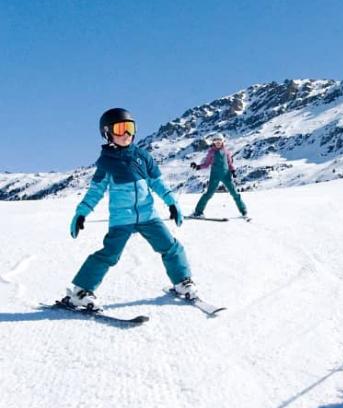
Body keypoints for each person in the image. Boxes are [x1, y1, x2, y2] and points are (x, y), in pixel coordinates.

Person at [64, 108, 198, 308]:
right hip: (122, 219)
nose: (126, 134)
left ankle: (182, 282)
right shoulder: (106, 163)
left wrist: (171, 202)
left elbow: (157, 183)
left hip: (148, 215)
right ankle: (80, 291)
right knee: (109, 254)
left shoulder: (143, 156)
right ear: (107, 133)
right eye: (120, 129)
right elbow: (95, 191)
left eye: (129, 128)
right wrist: (81, 212)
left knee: (171, 246)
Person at [190, 135, 249, 220]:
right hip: (215, 175)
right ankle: (198, 212)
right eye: (216, 140)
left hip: (226, 175)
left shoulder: (227, 152)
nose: (218, 142)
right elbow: (206, 164)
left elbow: (230, 163)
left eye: (219, 140)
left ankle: (243, 211)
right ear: (213, 142)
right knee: (209, 194)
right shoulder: (211, 152)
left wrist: (233, 171)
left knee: (234, 193)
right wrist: (198, 166)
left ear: (222, 141)